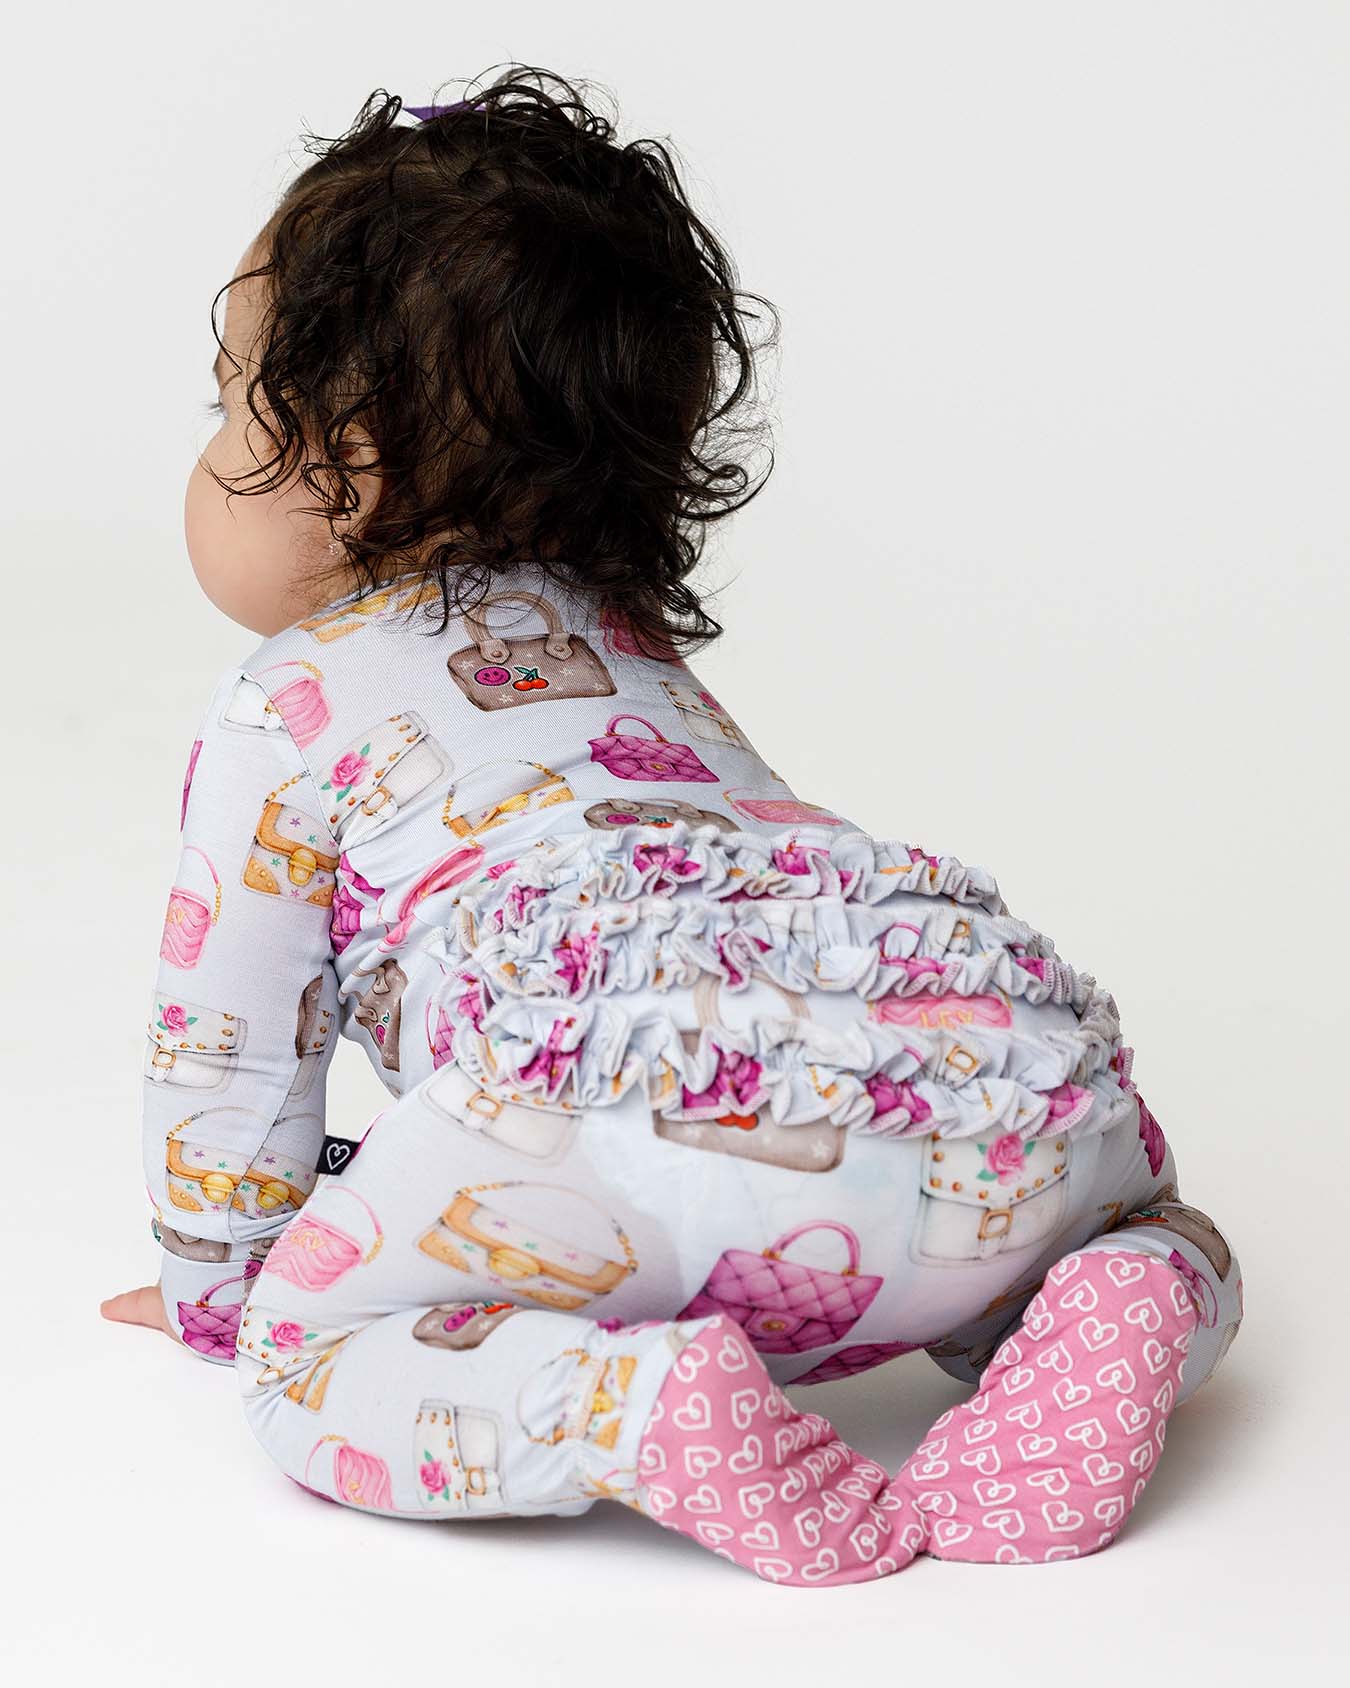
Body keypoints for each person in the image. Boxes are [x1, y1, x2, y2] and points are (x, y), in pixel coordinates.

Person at [103, 67, 1242, 1586]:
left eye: (230, 403)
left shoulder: (288, 700)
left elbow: (231, 1053)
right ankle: (1126, 1292)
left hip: (623, 1136)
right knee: (1159, 1220)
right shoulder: (639, 661)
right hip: (980, 1077)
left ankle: (628, 1407)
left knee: (305, 1361)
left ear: (342, 458)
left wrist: (225, 1284)